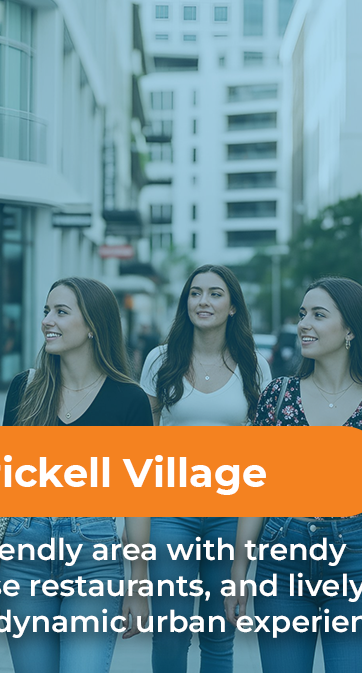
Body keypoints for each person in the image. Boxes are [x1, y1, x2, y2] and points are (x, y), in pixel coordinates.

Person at [224, 277, 362, 673]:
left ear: (351, 328)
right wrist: (238, 572)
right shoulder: (278, 396)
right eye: (303, 314)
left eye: (319, 315)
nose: (304, 324)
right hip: (282, 557)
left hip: (354, 558)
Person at [0, 277, 152, 673]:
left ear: (94, 325)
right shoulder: (26, 388)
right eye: (47, 311)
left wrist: (138, 580)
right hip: (23, 551)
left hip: (94, 554)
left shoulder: (128, 398)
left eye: (61, 312)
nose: (48, 320)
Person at [139, 264, 271, 673]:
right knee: (170, 633)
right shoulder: (161, 359)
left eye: (215, 294)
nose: (203, 301)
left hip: (230, 516)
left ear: (233, 306)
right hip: (169, 514)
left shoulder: (255, 364)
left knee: (219, 633)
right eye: (195, 293)